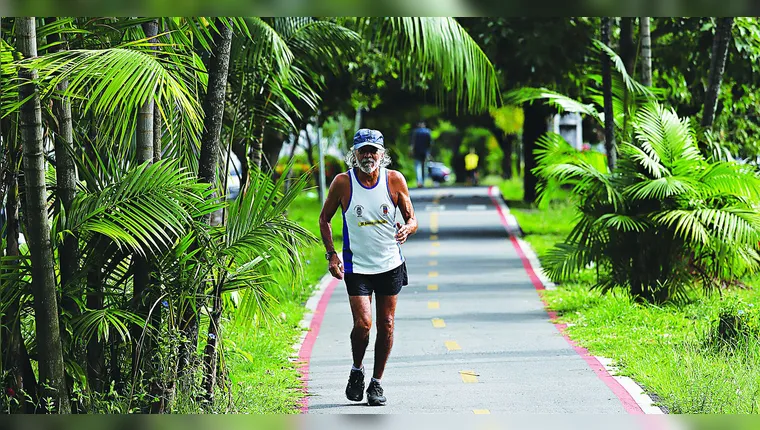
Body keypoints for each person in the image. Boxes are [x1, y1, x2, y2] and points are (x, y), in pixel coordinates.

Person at [318, 128, 418, 406]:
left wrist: (407, 229)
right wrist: (332, 255)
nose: (368, 156)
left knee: (386, 324)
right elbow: (324, 218)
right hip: (357, 265)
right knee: (363, 324)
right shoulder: (343, 183)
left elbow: (412, 218)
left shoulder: (394, 180)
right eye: (363, 150)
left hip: (390, 264)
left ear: (382, 155)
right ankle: (357, 370)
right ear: (354, 154)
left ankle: (376, 383)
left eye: (373, 150)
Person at [410, 121, 433, 188]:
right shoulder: (428, 132)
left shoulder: (415, 132)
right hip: (425, 152)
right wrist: (428, 152)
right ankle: (423, 181)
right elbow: (430, 143)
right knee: (424, 167)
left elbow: (412, 143)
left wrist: (411, 151)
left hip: (416, 151)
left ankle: (419, 181)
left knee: (417, 166)